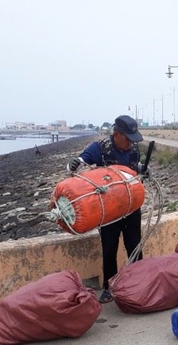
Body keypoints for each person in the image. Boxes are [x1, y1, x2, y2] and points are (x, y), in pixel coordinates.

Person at [66, 115, 145, 303]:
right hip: (109, 211)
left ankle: (141, 282)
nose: (130, 143)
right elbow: (77, 163)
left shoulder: (133, 149)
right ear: (117, 134)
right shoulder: (99, 149)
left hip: (131, 206)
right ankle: (109, 288)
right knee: (109, 248)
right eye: (127, 138)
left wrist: (143, 170)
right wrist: (72, 165)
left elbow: (134, 169)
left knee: (135, 245)